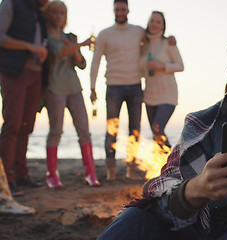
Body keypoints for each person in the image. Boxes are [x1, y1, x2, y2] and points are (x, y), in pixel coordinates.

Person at [98, 32, 227, 240]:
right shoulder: (203, 124)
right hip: (197, 227)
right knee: (134, 218)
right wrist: (198, 189)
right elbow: (161, 201)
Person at [42, 0, 100, 188]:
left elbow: (81, 63)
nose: (58, 16)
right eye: (55, 12)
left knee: (84, 130)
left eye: (62, 13)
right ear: (49, 14)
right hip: (55, 88)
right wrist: (81, 43)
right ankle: (52, 175)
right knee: (56, 131)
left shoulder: (69, 36)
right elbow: (60, 52)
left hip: (74, 87)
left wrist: (76, 48)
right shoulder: (46, 36)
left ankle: (90, 173)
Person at [89, 0, 145, 181]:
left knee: (134, 130)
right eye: (117, 9)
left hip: (135, 85)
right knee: (111, 129)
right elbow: (96, 61)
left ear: (128, 10)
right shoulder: (105, 34)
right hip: (113, 86)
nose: (120, 12)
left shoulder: (138, 31)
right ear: (114, 10)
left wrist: (169, 39)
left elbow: (155, 39)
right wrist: (92, 87)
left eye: (123, 9)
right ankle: (110, 170)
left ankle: (131, 169)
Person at [0, 0, 49, 197]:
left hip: (36, 73)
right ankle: (6, 179)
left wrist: (41, 51)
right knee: (12, 125)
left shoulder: (39, 12)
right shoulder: (10, 4)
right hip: (14, 71)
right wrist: (30, 47)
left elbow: (42, 42)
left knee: (27, 126)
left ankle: (21, 175)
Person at [140, 11, 184, 149]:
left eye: (158, 22)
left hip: (167, 94)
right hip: (149, 95)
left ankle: (172, 163)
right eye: (152, 21)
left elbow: (180, 66)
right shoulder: (143, 45)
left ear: (163, 26)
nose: (154, 24)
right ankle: (160, 167)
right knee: (155, 134)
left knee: (157, 128)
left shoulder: (168, 43)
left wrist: (161, 66)